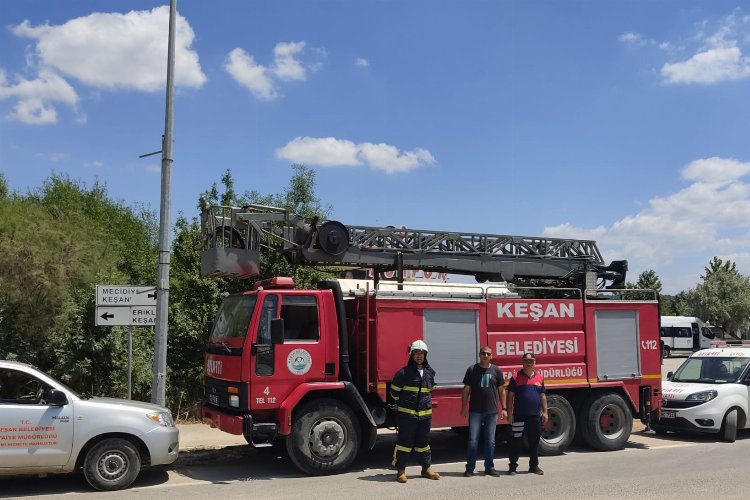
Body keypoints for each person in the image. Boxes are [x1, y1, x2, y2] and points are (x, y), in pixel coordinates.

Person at [389, 340, 440, 483]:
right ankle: (401, 471)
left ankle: (426, 469)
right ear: (411, 355)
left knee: (424, 442)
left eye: (422, 353)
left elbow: (429, 391)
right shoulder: (403, 373)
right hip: (407, 415)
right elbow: (394, 393)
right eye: (416, 353)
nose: (419, 356)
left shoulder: (430, 373)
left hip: (425, 415)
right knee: (404, 442)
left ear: (425, 355)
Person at [460, 346, 507, 477]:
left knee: (490, 441)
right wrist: (464, 407)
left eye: (488, 353)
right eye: (483, 353)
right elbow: (466, 390)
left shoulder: (496, 370)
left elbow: (501, 390)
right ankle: (470, 468)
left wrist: (504, 408)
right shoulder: (472, 370)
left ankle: (489, 468)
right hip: (475, 411)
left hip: (492, 412)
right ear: (479, 355)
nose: (485, 355)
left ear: (491, 356)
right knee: (473, 440)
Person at [507, 352, 548, 476]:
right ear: (522, 362)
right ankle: (512, 467)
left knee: (534, 442)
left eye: (531, 361)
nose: (528, 363)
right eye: (526, 361)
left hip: (535, 416)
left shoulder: (540, 378)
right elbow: (510, 396)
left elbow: (543, 395)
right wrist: (509, 413)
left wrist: (545, 412)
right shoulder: (515, 378)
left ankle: (534, 466)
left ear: (535, 363)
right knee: (516, 441)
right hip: (519, 415)